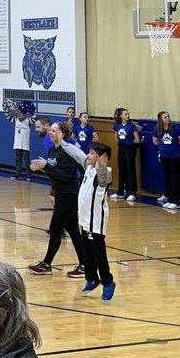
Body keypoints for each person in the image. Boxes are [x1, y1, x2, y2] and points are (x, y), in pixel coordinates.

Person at [27, 121, 86, 279]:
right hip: (60, 193)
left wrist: (46, 167)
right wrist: (41, 168)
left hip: (69, 194)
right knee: (73, 231)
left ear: (63, 134)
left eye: (54, 131)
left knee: (55, 228)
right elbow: (54, 172)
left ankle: (46, 264)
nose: (50, 133)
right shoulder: (53, 149)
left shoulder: (69, 151)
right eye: (50, 130)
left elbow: (67, 176)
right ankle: (85, 265)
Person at [76, 142, 115, 300]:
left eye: (92, 154)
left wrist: (101, 162)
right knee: (87, 252)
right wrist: (62, 142)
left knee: (99, 254)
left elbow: (102, 173)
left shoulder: (105, 174)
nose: (88, 156)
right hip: (84, 219)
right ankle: (92, 278)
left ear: (101, 158)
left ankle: (108, 282)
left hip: (95, 221)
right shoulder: (89, 169)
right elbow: (77, 155)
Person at [152, 111, 180, 210]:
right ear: (161, 119)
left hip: (175, 156)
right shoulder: (157, 129)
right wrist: (164, 145)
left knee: (175, 178)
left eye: (168, 117)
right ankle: (170, 199)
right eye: (165, 117)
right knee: (168, 177)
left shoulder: (175, 129)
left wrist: (173, 145)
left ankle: (176, 201)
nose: (167, 118)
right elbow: (155, 141)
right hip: (164, 156)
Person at [108, 107, 139, 202]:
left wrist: (129, 141)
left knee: (130, 169)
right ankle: (120, 191)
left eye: (128, 114)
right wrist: (122, 142)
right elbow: (116, 138)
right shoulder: (117, 125)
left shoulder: (132, 126)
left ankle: (132, 192)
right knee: (121, 169)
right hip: (121, 148)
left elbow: (137, 139)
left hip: (130, 148)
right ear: (121, 116)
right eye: (125, 114)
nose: (127, 115)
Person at [9, 105, 31, 180]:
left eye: (20, 113)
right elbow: (8, 117)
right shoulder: (16, 120)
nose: (19, 114)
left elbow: (34, 119)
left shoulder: (28, 121)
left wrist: (32, 112)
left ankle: (29, 175)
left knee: (26, 161)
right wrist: (8, 110)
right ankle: (18, 174)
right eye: (18, 113)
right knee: (17, 160)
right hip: (17, 144)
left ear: (24, 114)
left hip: (25, 145)